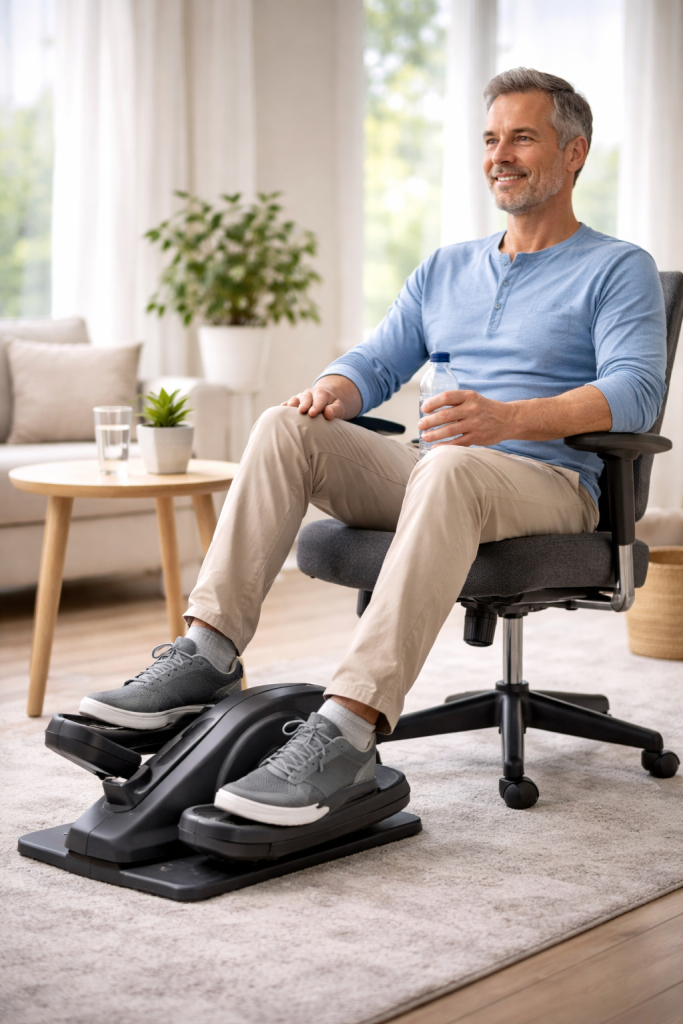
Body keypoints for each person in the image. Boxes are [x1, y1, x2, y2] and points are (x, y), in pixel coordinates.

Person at [80, 68, 666, 827]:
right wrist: (332, 388)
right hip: (438, 468)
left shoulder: (616, 267)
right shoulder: (446, 267)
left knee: (450, 467)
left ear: (573, 153)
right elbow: (377, 360)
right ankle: (209, 653)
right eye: (490, 139)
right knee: (285, 426)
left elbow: (635, 392)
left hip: (550, 481)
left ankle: (349, 728)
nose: (500, 155)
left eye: (522, 137)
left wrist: (508, 419)